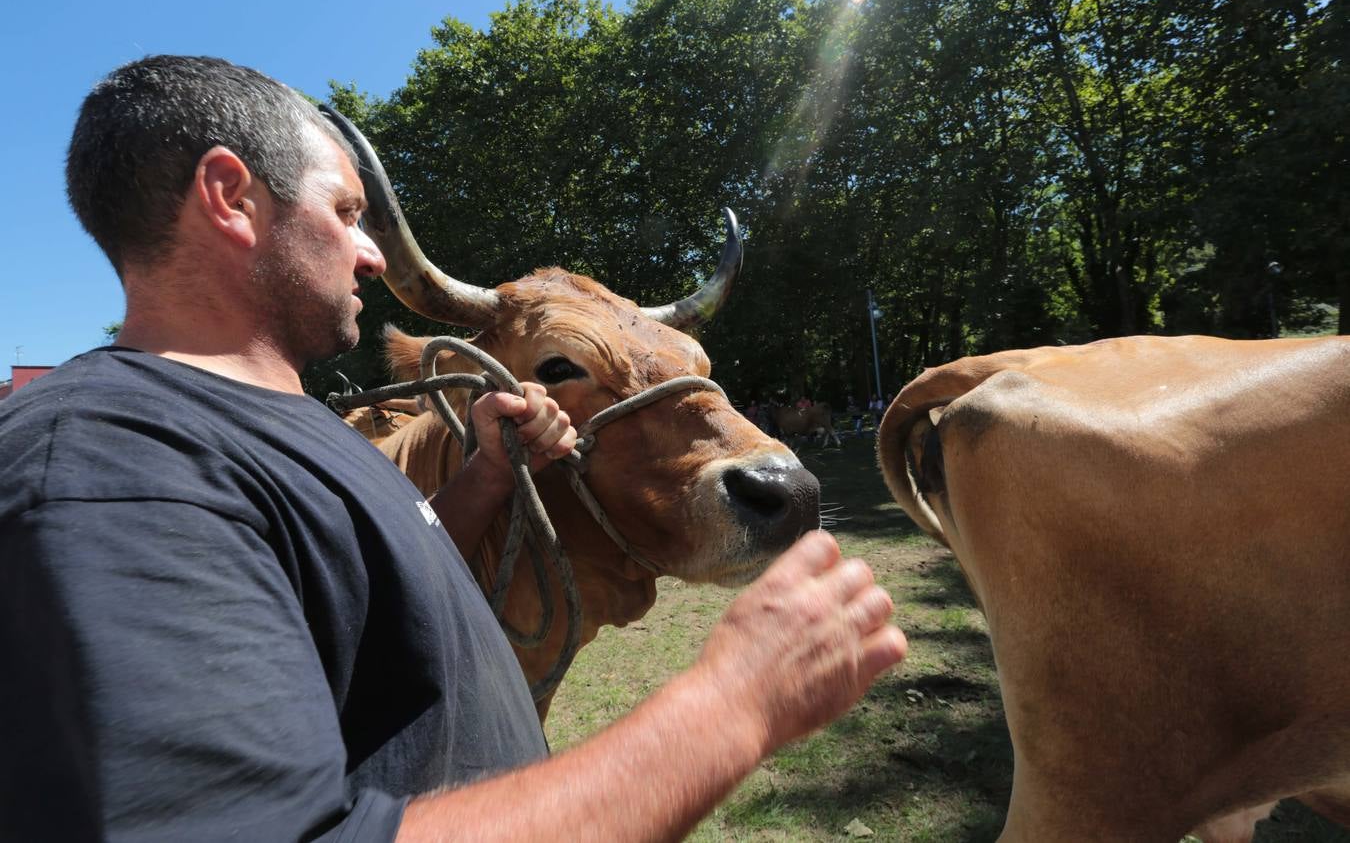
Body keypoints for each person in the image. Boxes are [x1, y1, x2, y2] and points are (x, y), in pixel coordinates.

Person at [0, 55, 907, 841]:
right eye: (347, 212)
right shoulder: (109, 464)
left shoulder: (290, 427)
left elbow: (369, 584)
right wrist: (729, 710)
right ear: (230, 197)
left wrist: (485, 476)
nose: (370, 255)